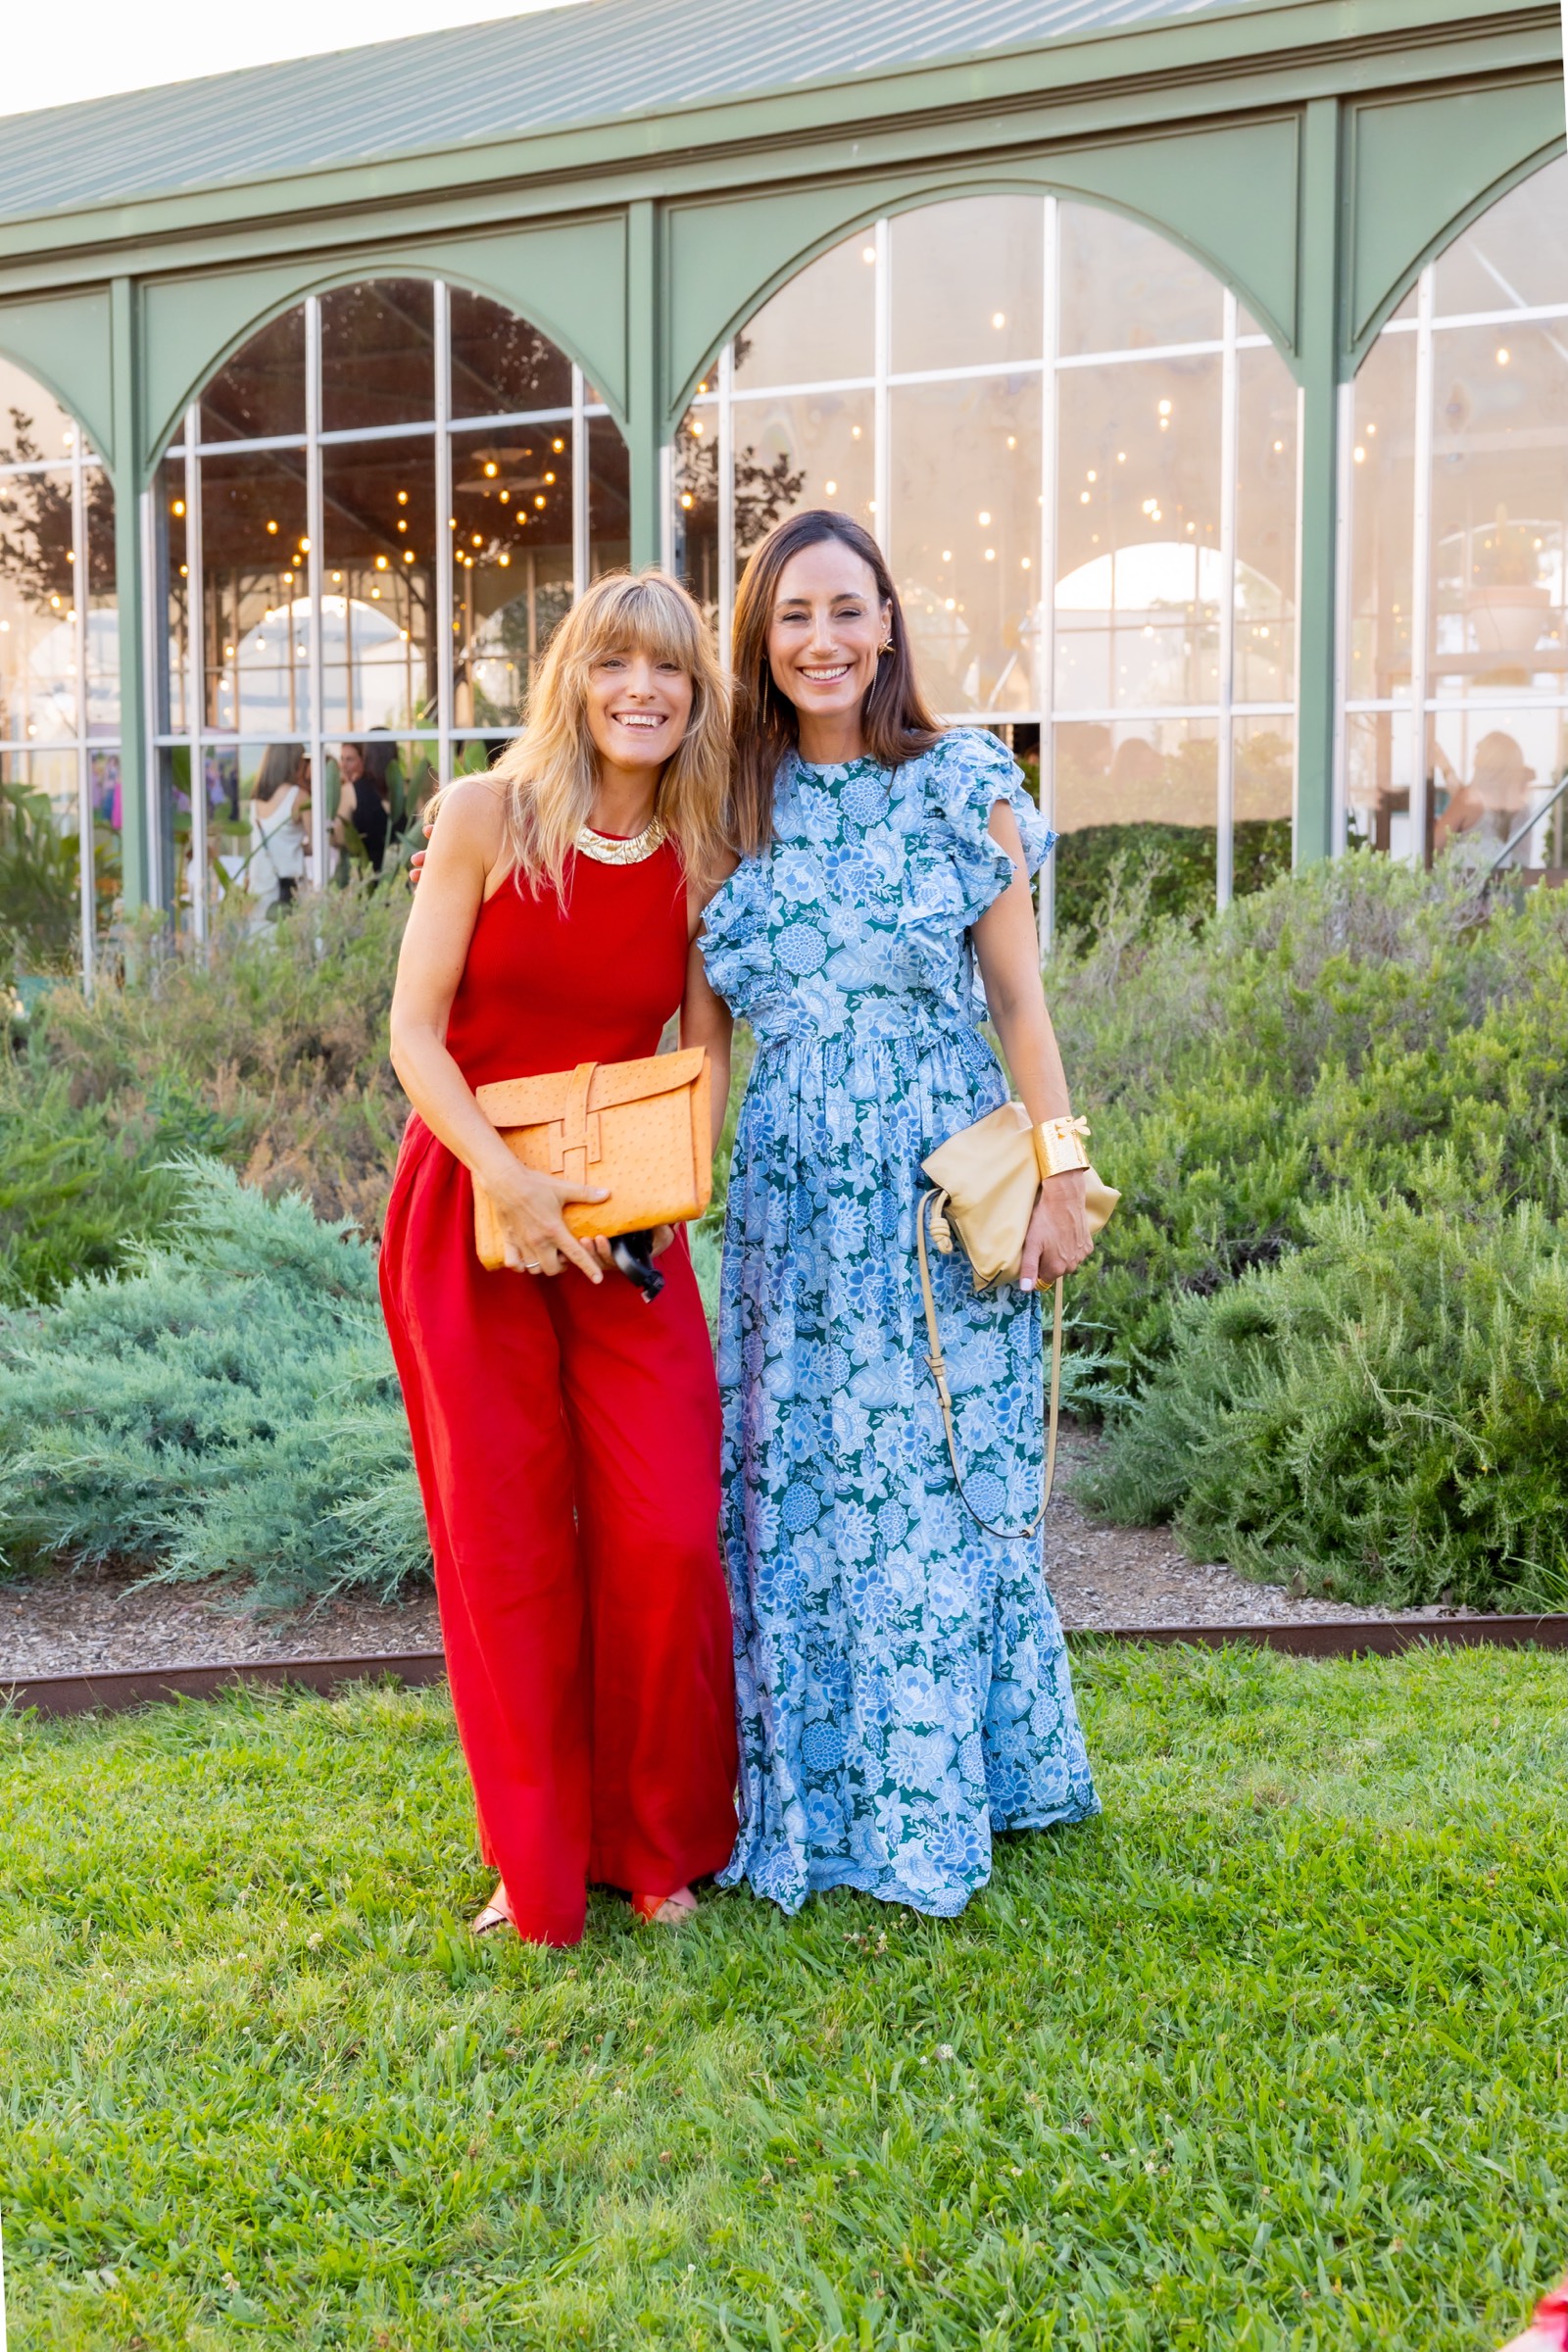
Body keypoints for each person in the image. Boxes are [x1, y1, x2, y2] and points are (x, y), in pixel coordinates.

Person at [698, 509, 1100, 1920]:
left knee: (931, 1484)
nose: (824, 640)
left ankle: (953, 1785)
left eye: (849, 610)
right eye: (795, 615)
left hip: (941, 1188)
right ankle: (816, 1788)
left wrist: (1062, 1174)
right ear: (760, 635)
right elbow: (703, 1049)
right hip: (790, 1203)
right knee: (802, 1484)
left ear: (888, 625)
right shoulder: (724, 803)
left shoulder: (961, 781)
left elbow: (1019, 1000)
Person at [380, 569, 738, 1948]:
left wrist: (673, 1188)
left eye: (672, 672)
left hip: (626, 1227)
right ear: (574, 678)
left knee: (661, 1531)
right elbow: (416, 1034)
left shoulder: (699, 853)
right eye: (616, 664)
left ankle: (657, 1851)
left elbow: (701, 1047)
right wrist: (506, 1178)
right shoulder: (485, 817)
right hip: (470, 1213)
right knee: (509, 1549)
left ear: (698, 698)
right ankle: (532, 1868)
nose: (642, 691)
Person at [248, 742, 310, 916]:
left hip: (259, 887)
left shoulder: (256, 800)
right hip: (289, 890)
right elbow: (317, 844)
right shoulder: (299, 797)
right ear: (294, 764)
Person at [335, 736, 391, 873]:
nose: (343, 765)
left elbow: (340, 838)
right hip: (398, 876)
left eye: (350, 759)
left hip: (365, 876)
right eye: (342, 759)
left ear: (364, 759)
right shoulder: (403, 789)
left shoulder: (349, 792)